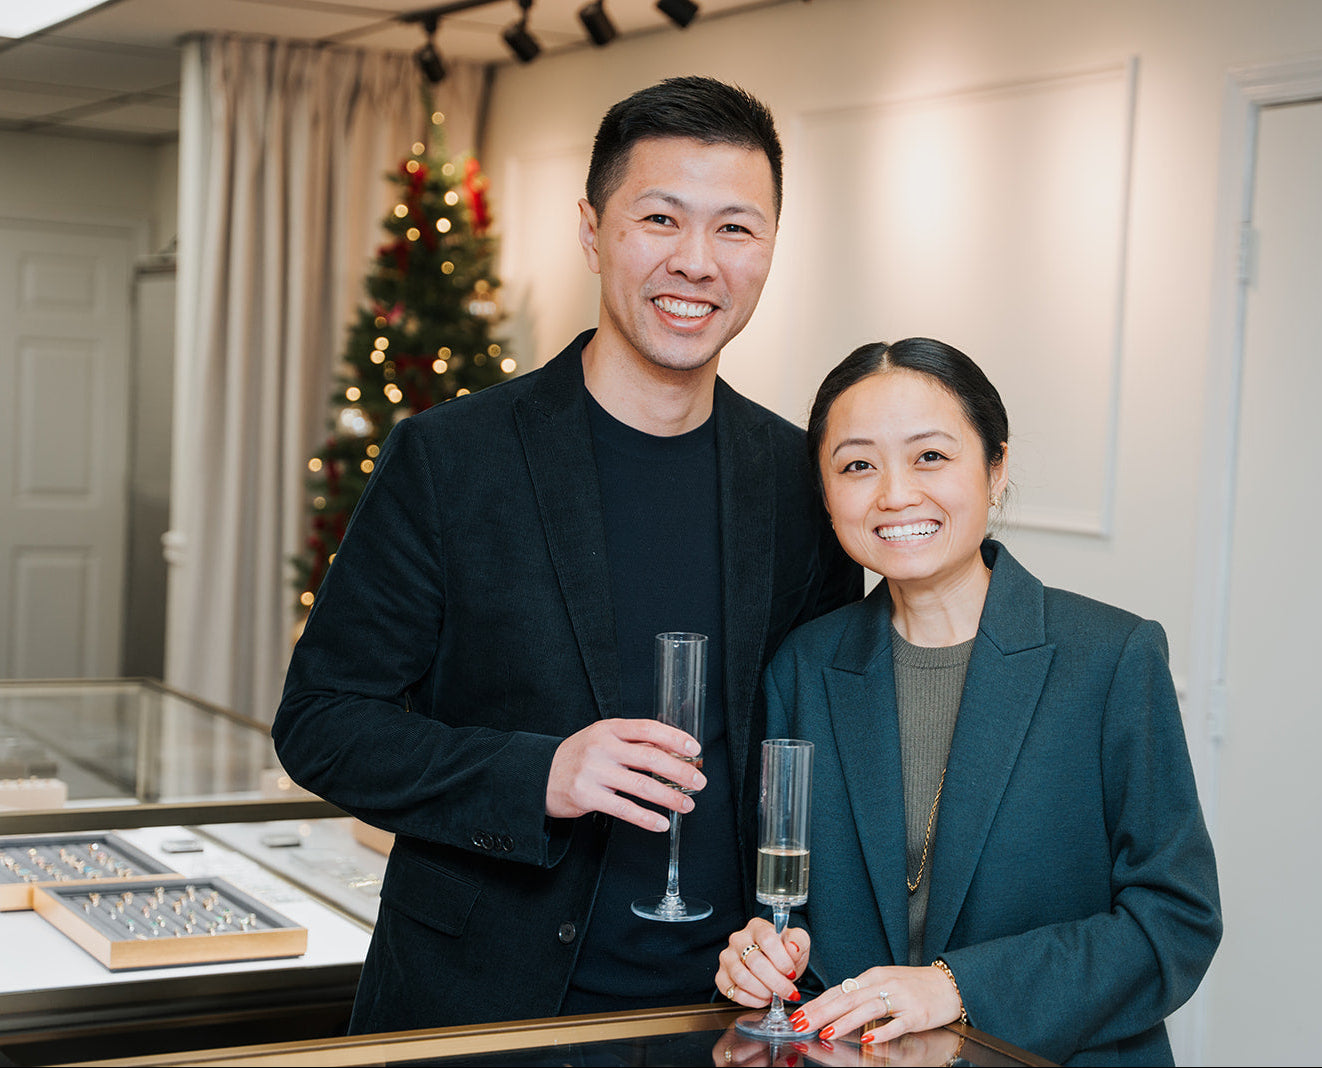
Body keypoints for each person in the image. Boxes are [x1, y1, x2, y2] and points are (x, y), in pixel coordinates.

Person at [272, 76, 860, 1033]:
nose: (697, 262)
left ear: (770, 250)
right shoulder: (451, 458)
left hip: (721, 1021)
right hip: (479, 1014)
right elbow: (323, 723)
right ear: (592, 229)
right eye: (660, 218)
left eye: (736, 230)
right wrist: (539, 776)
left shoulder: (798, 481)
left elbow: (820, 746)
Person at [716, 338, 1221, 1065]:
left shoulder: (1111, 658)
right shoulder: (803, 664)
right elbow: (782, 908)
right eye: (857, 465)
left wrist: (954, 987)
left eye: (930, 456)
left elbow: (1175, 920)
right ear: (826, 495)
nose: (894, 494)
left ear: (996, 467)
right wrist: (760, 952)